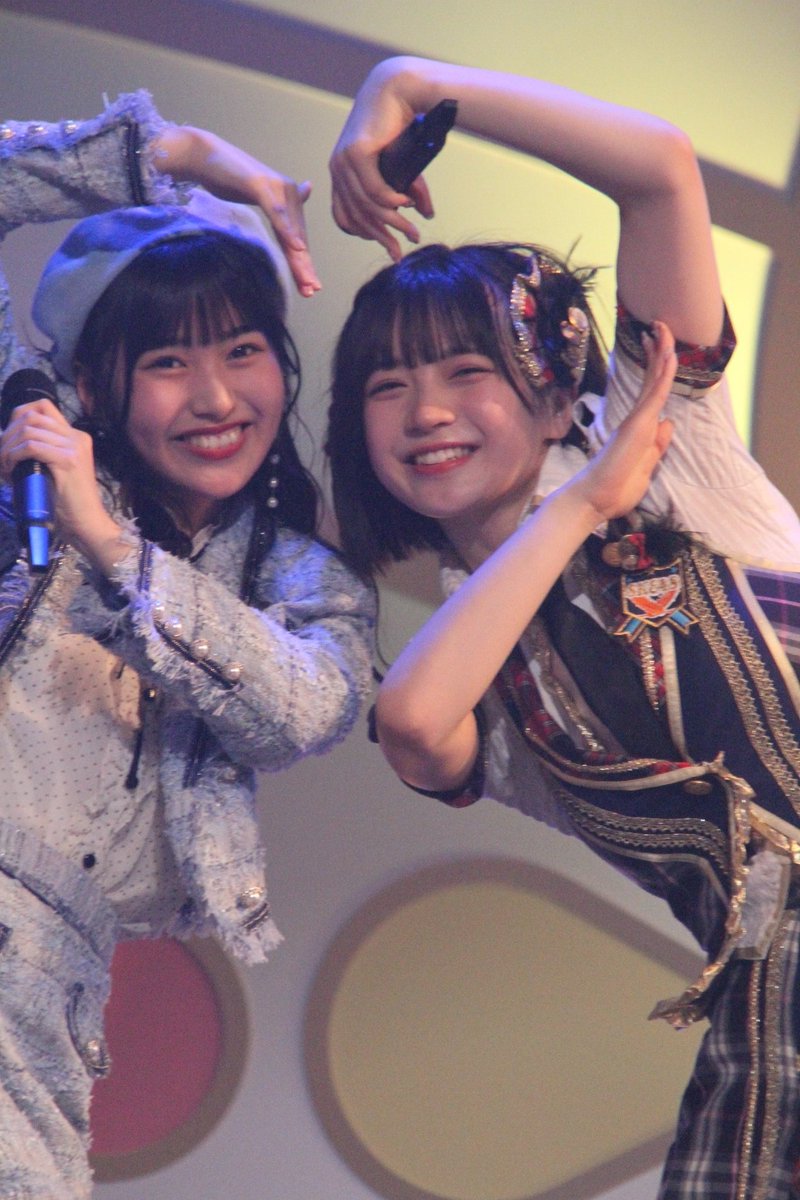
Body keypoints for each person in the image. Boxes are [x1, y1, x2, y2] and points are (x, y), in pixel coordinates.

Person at [327, 56, 800, 1199]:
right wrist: (580, 505)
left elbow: (658, 172)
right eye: (386, 387)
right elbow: (412, 725)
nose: (425, 411)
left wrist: (407, 82)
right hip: (766, 1038)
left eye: (464, 370)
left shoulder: (664, 444)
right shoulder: (480, 664)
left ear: (552, 390)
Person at [0, 91, 374, 1198]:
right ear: (92, 384)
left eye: (243, 350)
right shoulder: (26, 484)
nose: (216, 398)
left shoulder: (300, 576)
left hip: (49, 1000)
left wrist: (114, 548)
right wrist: (173, 152)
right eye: (167, 361)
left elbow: (301, 710)